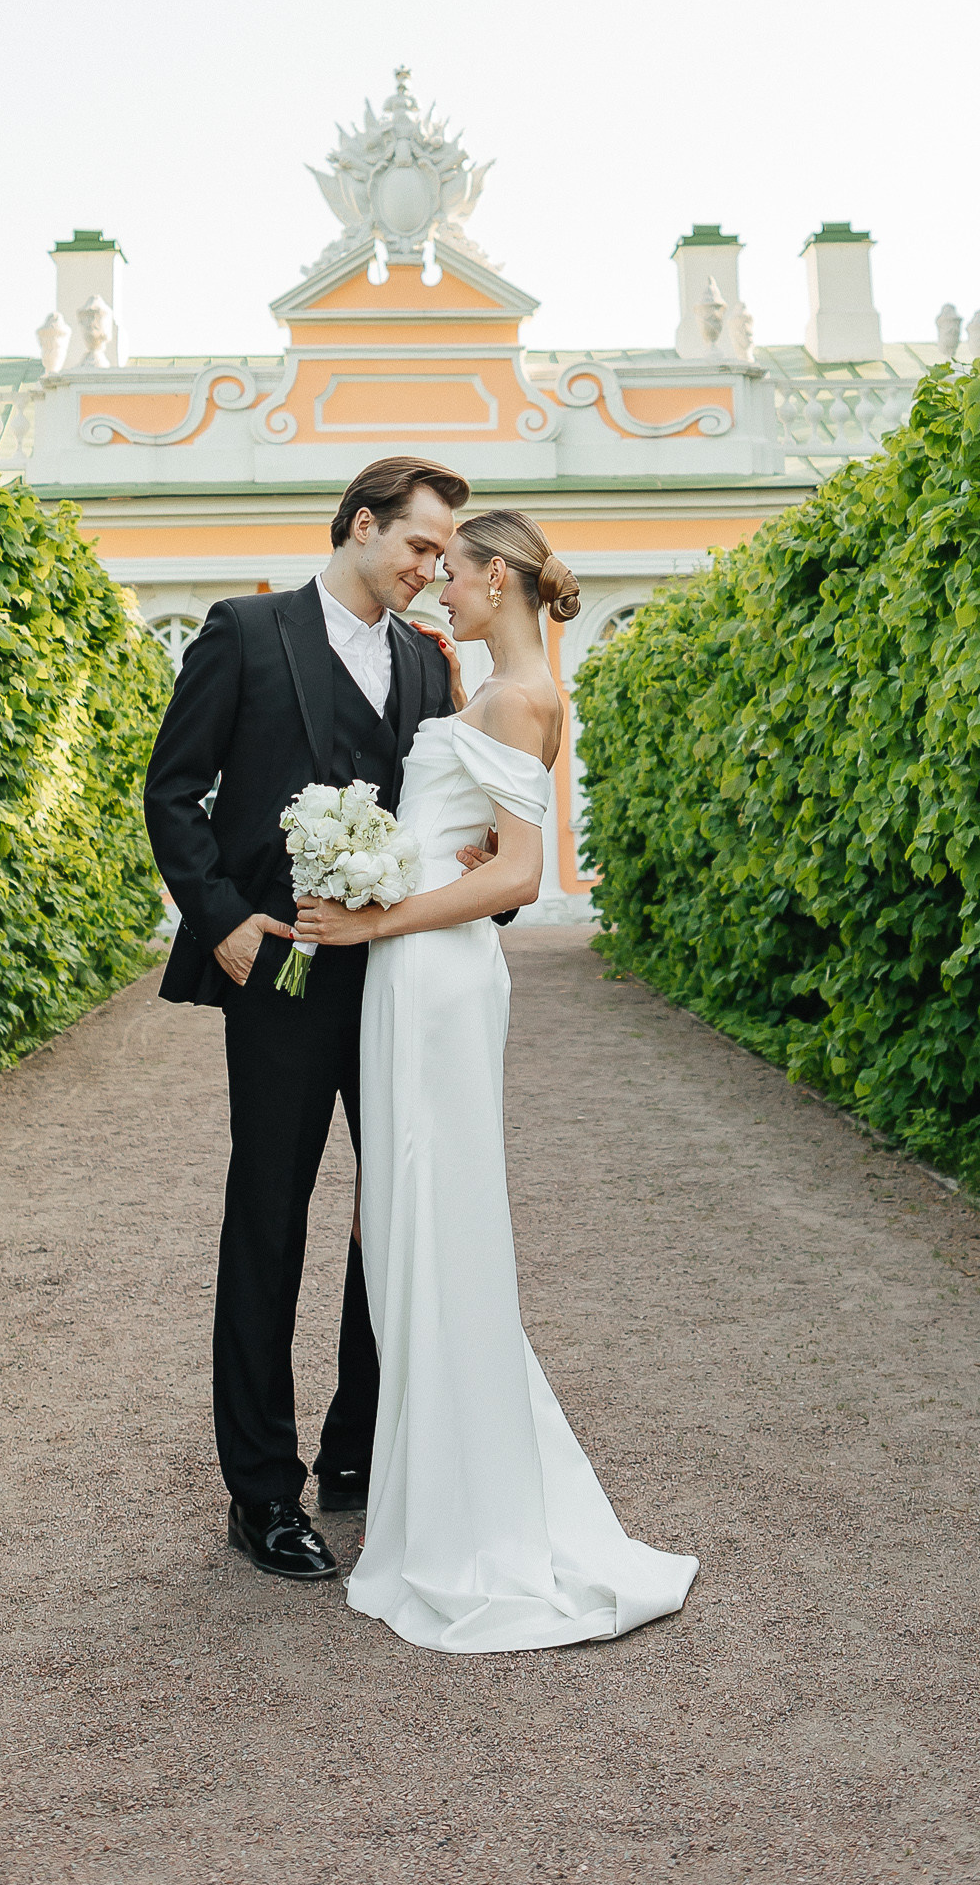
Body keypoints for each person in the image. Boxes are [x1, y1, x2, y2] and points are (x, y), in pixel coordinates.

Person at [295, 508, 700, 1651]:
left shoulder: (520, 697)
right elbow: (482, 838)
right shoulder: (503, 691)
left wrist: (373, 920)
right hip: (417, 967)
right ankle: (433, 1487)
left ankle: (464, 1515)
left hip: (430, 970)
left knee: (428, 1215)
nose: (439, 588)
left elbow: (519, 874)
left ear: (500, 582)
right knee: (405, 1217)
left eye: (455, 573)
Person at [143, 455, 468, 1582]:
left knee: (395, 1212)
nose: (431, 570)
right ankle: (260, 1492)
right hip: (277, 974)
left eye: (442, 554)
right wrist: (223, 920)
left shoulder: (425, 665)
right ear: (362, 525)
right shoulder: (244, 632)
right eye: (419, 545)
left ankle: (356, 1450)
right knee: (269, 1218)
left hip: (395, 975)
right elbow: (172, 792)